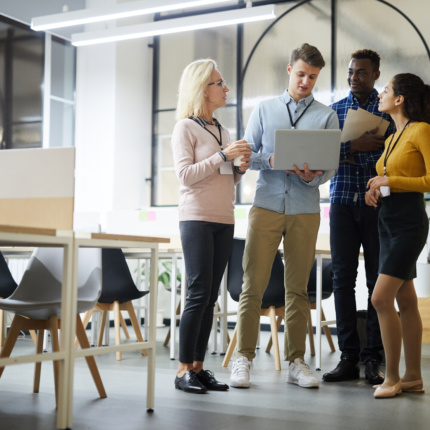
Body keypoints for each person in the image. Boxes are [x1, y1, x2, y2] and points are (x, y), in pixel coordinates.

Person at [229, 43, 339, 389]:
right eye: (302, 74)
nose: (306, 81)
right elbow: (247, 156)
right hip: (266, 204)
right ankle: (242, 358)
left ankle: (296, 362)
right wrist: (270, 161)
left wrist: (314, 177)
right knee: (253, 285)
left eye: (313, 77)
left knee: (298, 291)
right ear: (290, 70)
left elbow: (330, 167)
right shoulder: (264, 109)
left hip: (306, 208)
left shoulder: (326, 116)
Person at [171, 59, 252, 394]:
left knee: (210, 299)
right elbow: (185, 175)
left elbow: (226, 177)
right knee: (198, 292)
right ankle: (182, 370)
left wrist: (240, 167)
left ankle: (199, 368)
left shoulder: (222, 130)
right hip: (196, 217)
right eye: (220, 83)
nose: (226, 89)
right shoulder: (184, 128)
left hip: (223, 217)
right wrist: (223, 156)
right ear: (203, 88)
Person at [323, 49, 394, 385]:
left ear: (376, 75)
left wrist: (369, 152)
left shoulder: (390, 111)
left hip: (375, 203)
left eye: (361, 73)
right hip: (340, 201)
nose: (354, 78)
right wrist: (352, 149)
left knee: (375, 282)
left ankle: (372, 359)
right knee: (341, 280)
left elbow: (392, 161)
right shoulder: (334, 110)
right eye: (351, 72)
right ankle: (348, 355)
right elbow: (322, 156)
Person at [365, 73, 430, 398]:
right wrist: (375, 190)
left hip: (408, 223)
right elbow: (388, 179)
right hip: (387, 221)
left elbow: (429, 180)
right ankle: (413, 378)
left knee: (380, 298)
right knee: (405, 300)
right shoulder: (392, 136)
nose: (381, 95)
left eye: (386, 91)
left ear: (400, 99)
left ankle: (391, 379)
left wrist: (390, 182)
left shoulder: (421, 130)